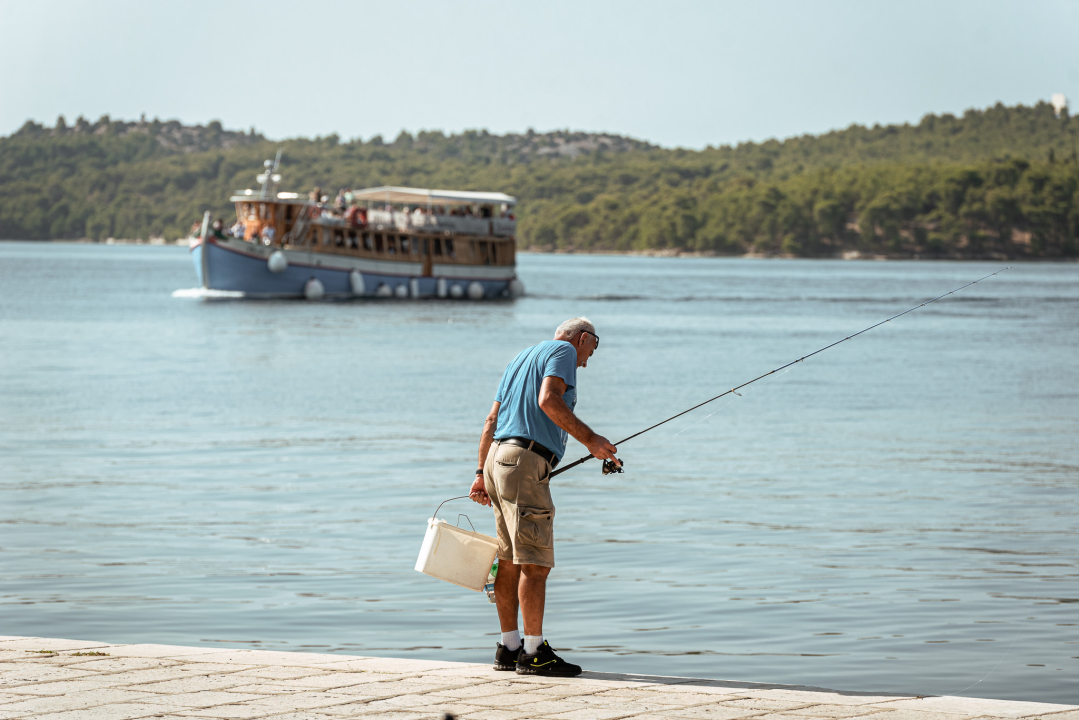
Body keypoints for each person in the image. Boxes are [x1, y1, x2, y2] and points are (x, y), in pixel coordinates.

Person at [469, 317, 619, 677]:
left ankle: (509, 647)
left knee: (508, 561)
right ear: (583, 339)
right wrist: (591, 440)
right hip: (523, 461)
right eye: (590, 352)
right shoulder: (564, 350)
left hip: (497, 459)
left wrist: (479, 474)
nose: (585, 362)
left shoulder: (520, 358)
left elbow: (491, 420)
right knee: (535, 563)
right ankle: (534, 653)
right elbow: (549, 400)